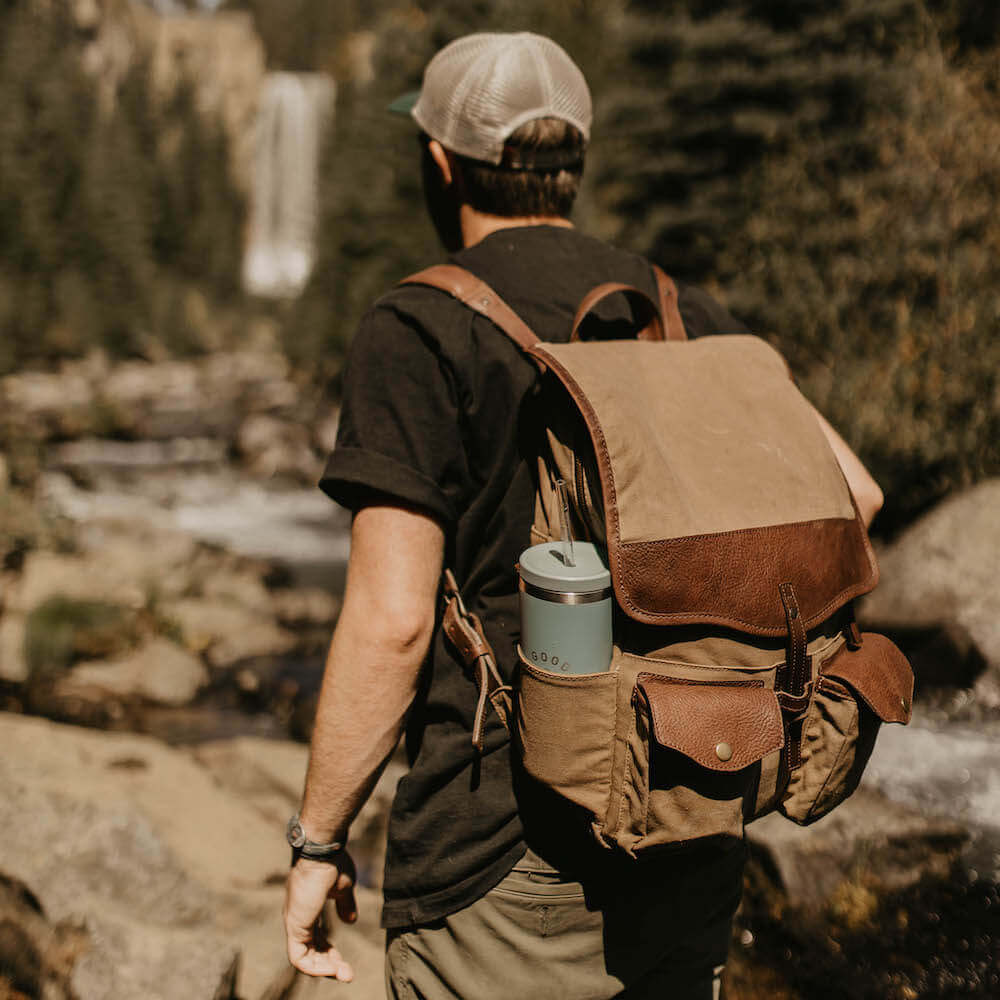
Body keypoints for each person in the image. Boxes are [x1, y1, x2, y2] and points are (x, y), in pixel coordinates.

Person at [283, 31, 884, 1000]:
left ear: (439, 163)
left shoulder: (421, 324)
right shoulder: (679, 310)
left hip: (504, 844)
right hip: (694, 802)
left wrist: (318, 838)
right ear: (574, 161)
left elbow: (392, 621)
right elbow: (855, 494)